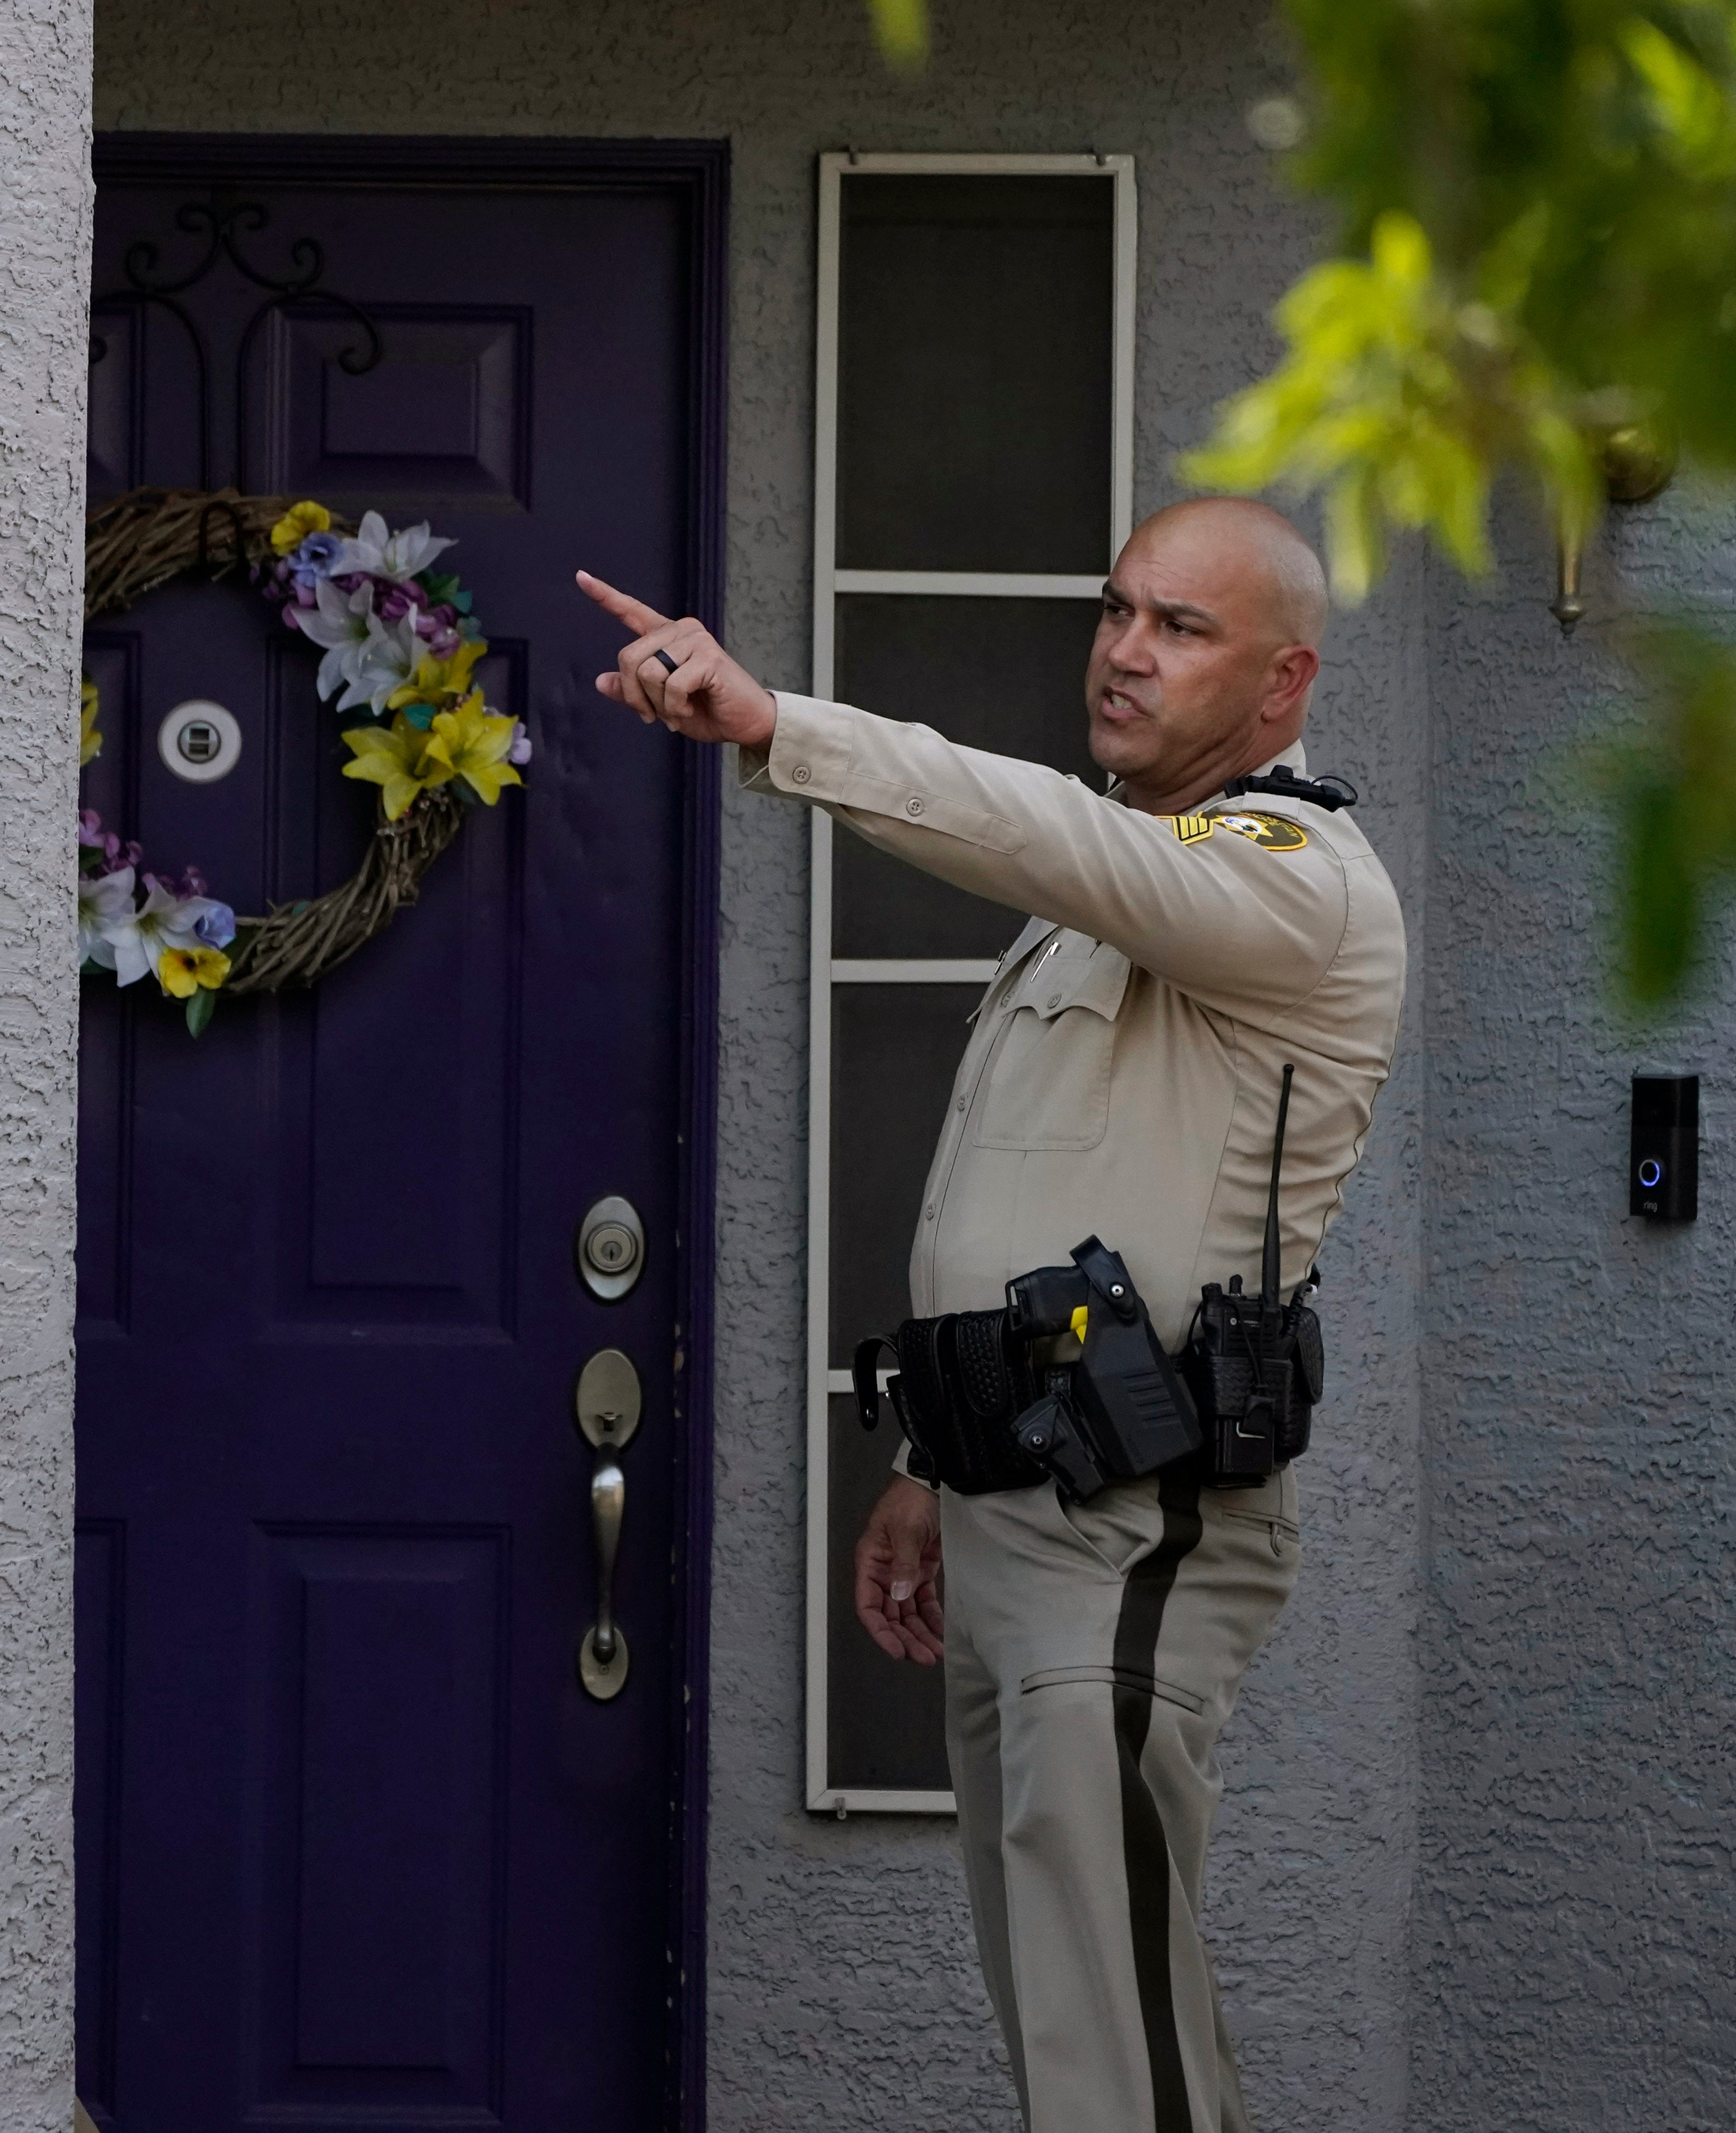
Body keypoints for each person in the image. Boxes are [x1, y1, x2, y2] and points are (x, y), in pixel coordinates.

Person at [579, 496, 1407, 2133]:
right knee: (1062, 2013)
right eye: (1118, 611)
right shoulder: (1129, 877)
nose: (1122, 650)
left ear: (1284, 684)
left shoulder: (1288, 874)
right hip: (1022, 1487)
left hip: (1130, 1508)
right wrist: (933, 1466)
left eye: (1181, 628)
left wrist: (780, 725)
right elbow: (1040, 1212)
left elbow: (1048, 834)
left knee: (1118, 2032)